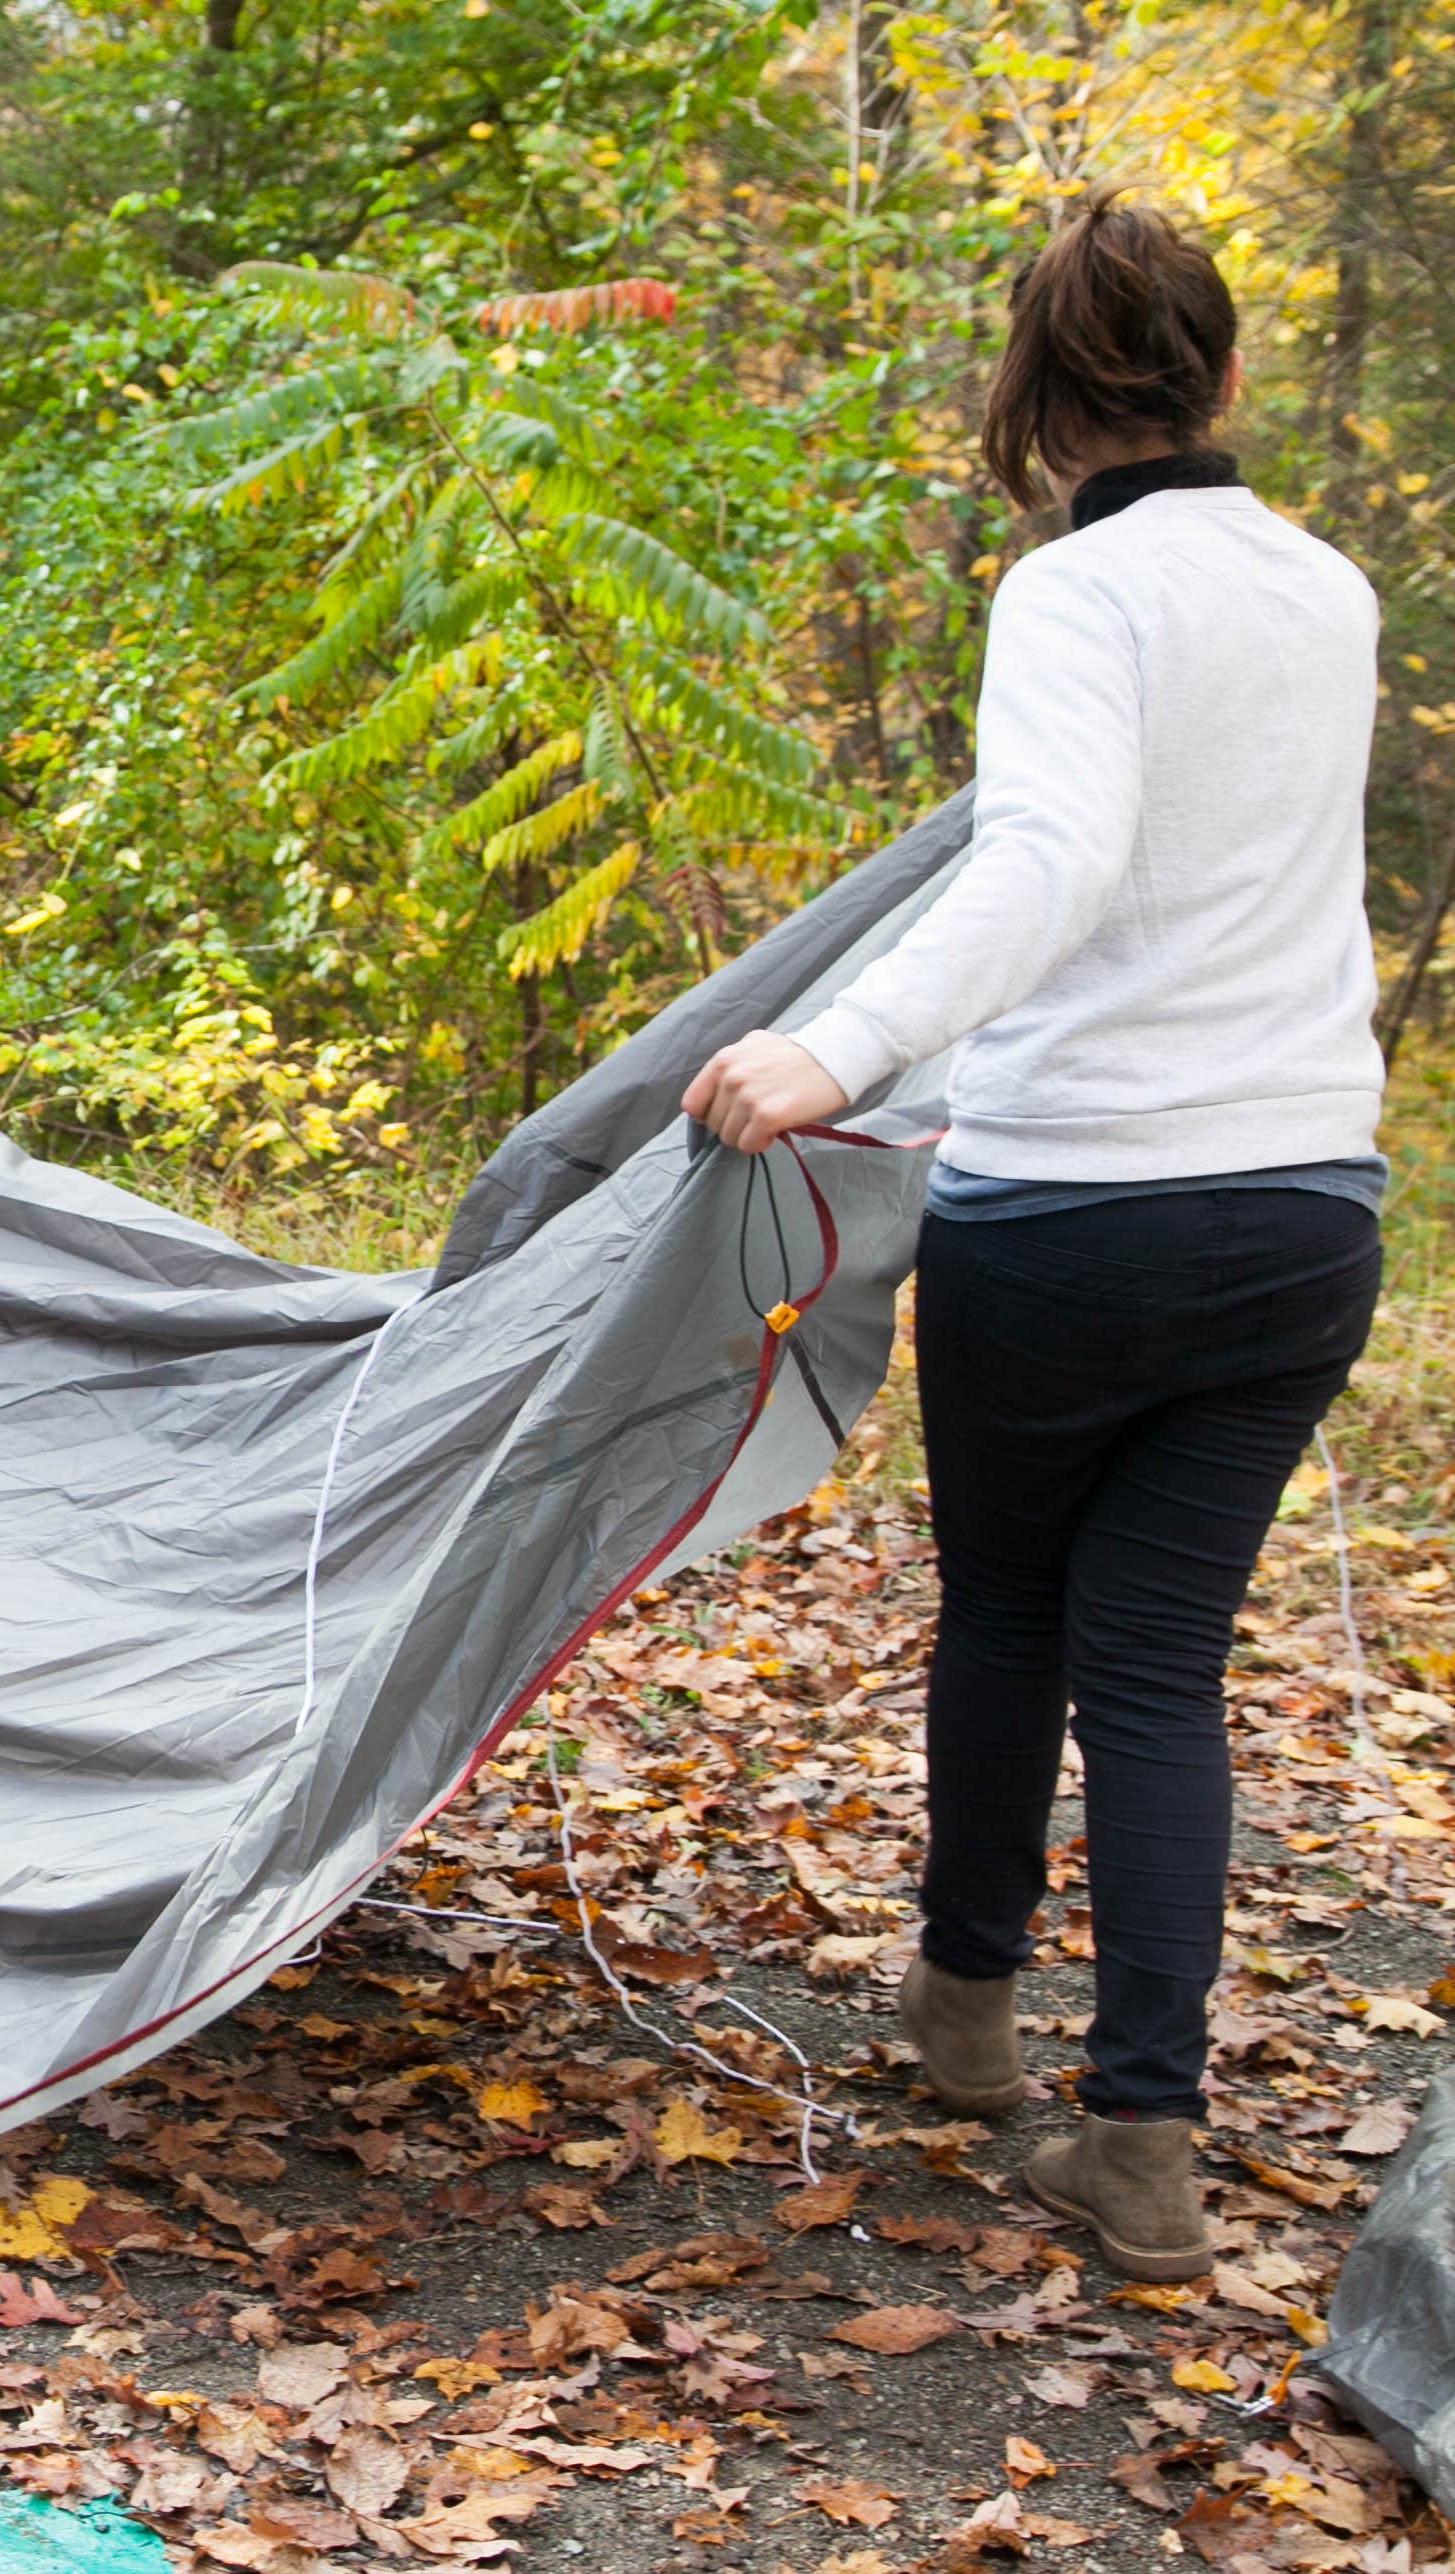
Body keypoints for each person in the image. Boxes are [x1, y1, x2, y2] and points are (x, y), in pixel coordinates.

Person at [681, 197, 1380, 2281]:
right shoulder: (1324, 587)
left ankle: (968, 2020)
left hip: (1076, 1205)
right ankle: (1142, 2142)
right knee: (1158, 1671)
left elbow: (1056, 857)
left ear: (1032, 396)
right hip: (1300, 1210)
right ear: (1224, 376)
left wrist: (843, 1042)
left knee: (1005, 1619)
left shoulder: (1074, 594)